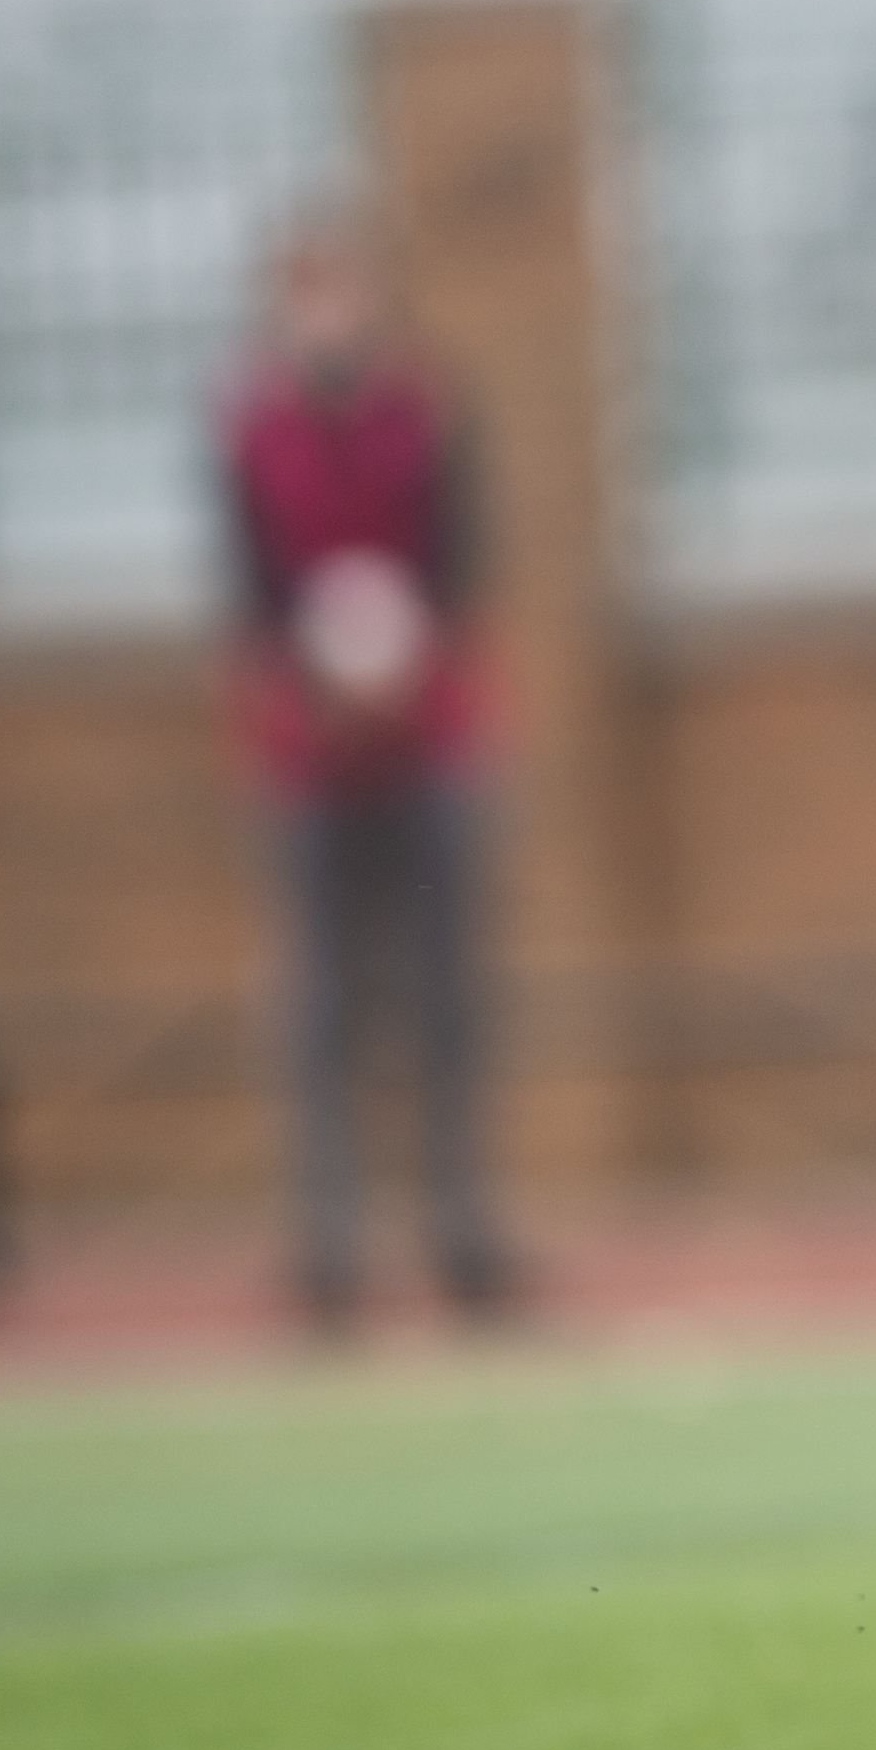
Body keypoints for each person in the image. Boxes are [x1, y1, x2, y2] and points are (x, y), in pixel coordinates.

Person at [219, 203, 513, 1330]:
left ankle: (462, 1228)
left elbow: (455, 565)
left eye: (339, 286)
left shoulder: (424, 411)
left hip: (428, 746)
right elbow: (252, 592)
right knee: (322, 1007)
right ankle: (329, 1243)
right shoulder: (254, 430)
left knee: (448, 999)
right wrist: (314, 682)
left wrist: (403, 668)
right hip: (306, 761)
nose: (325, 312)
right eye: (305, 291)